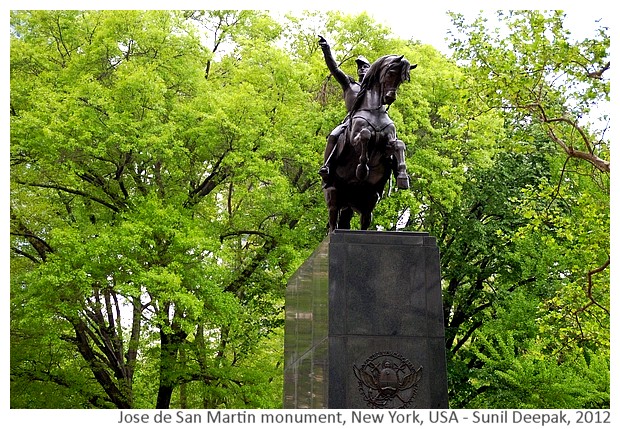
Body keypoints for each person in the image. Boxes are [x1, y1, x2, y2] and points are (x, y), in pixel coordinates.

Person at [317, 35, 371, 185]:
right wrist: (326, 49)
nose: (361, 69)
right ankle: (326, 166)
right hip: (351, 121)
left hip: (372, 122)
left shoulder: (374, 90)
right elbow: (334, 68)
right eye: (359, 67)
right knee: (333, 136)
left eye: (365, 67)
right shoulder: (350, 84)